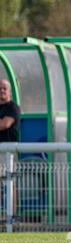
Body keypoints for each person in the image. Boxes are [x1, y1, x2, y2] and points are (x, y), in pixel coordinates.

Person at [0, 79, 21, 221]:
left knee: (10, 183)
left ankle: (12, 216)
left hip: (9, 151)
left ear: (10, 92)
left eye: (4, 88)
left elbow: (4, 124)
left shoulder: (13, 108)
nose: (1, 91)